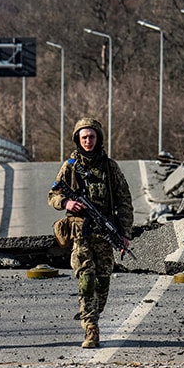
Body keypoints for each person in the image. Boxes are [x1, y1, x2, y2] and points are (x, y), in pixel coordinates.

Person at [48, 117, 133, 348]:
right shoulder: (70, 167)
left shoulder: (109, 167)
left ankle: (93, 313)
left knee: (103, 282)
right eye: (84, 137)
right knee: (86, 280)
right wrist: (67, 203)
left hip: (104, 234)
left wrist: (124, 233)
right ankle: (91, 329)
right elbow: (52, 195)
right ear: (78, 139)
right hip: (80, 234)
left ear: (98, 138)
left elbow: (124, 201)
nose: (88, 141)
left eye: (91, 137)